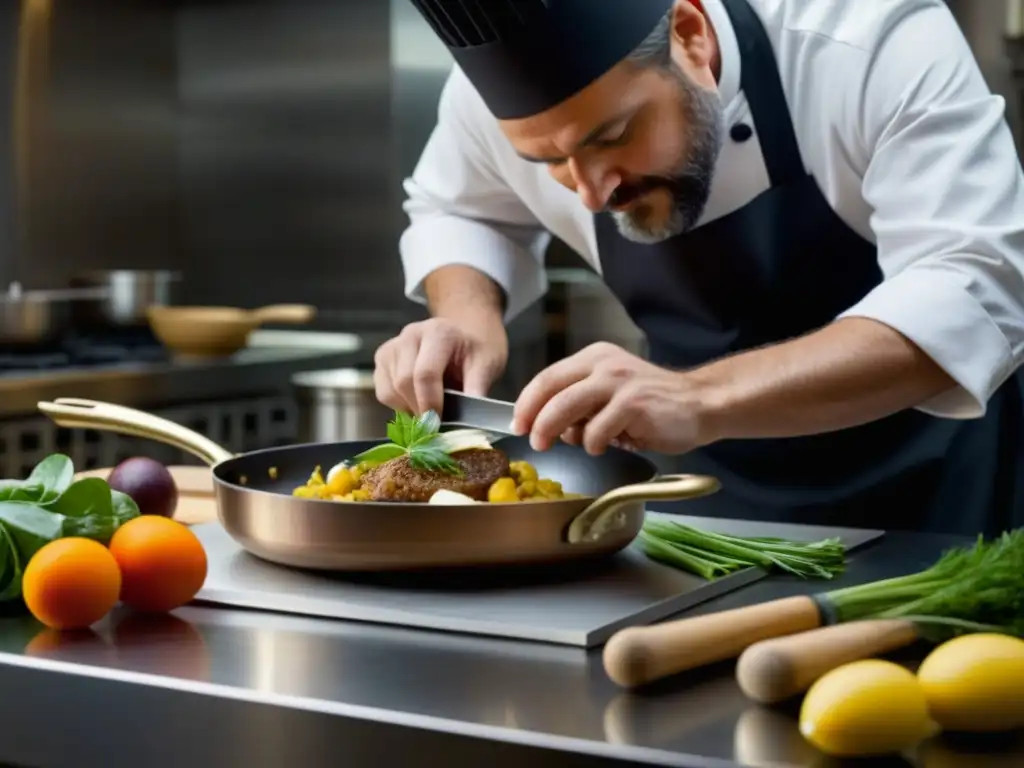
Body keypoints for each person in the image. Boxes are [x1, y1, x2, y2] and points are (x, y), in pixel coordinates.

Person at [374, 0, 1024, 535]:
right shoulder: (497, 102)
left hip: (934, 502)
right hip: (701, 510)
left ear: (691, 37)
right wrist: (466, 317)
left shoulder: (863, 38)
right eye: (549, 163)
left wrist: (697, 397)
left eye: (612, 135)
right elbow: (457, 210)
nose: (590, 192)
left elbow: (974, 283)